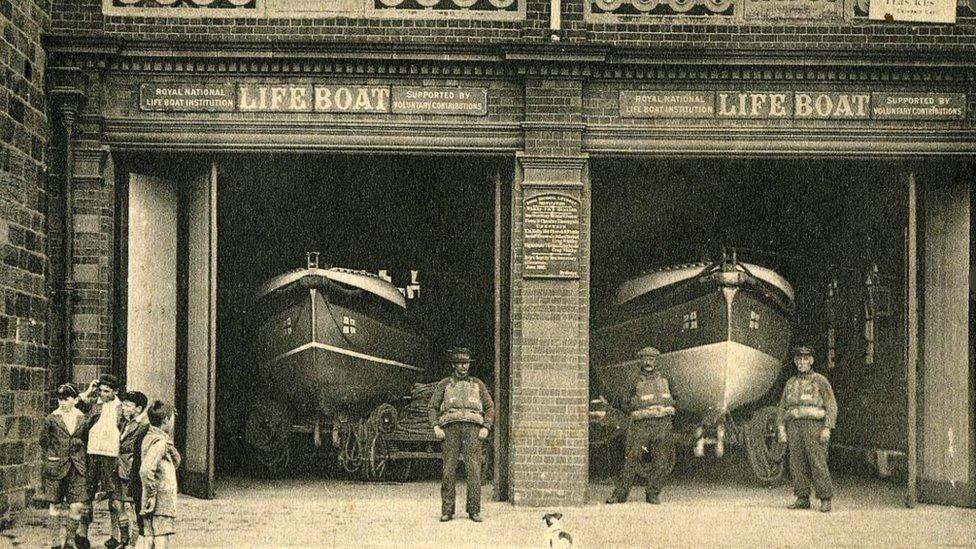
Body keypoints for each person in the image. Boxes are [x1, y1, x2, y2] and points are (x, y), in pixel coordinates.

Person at [427, 347, 495, 523]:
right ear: (453, 365)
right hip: (450, 430)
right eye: (459, 363)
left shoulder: (478, 384)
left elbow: (489, 407)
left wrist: (486, 426)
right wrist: (435, 427)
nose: (463, 367)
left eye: (466, 363)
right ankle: (447, 510)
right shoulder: (445, 384)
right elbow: (433, 407)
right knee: (449, 470)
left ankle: (474, 510)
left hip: (473, 430)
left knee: (474, 469)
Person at [605, 346, 676, 505]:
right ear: (641, 360)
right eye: (645, 359)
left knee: (662, 461)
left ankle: (653, 493)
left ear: (656, 361)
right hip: (641, 425)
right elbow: (623, 401)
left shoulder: (666, 378)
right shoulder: (634, 379)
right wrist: (637, 411)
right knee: (632, 459)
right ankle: (620, 495)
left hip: (662, 424)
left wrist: (664, 410)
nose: (648, 362)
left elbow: (675, 397)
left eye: (651, 359)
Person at [776, 345, 838, 513]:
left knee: (817, 462)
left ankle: (825, 498)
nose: (802, 362)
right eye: (799, 359)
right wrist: (781, 428)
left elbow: (831, 405)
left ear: (811, 361)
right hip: (794, 426)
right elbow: (782, 407)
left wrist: (827, 427)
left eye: (805, 359)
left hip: (814, 426)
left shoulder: (820, 381)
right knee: (797, 463)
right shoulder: (790, 383)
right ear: (795, 362)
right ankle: (802, 497)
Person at [75, 373, 126, 549]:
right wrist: (89, 390)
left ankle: (115, 536)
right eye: (100, 391)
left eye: (107, 391)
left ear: (115, 391)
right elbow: (76, 402)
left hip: (112, 456)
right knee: (87, 494)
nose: (102, 394)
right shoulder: (93, 405)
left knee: (114, 495)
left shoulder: (122, 408)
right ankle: (82, 534)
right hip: (92, 454)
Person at [38, 383, 92, 549]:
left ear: (75, 400)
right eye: (60, 399)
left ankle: (69, 542)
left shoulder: (83, 419)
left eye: (66, 399)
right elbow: (43, 441)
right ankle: (55, 543)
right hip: (56, 467)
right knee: (55, 505)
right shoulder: (52, 419)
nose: (62, 403)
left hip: (77, 468)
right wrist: (54, 457)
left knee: (77, 506)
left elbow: (86, 440)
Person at [140, 401, 181, 549]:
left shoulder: (150, 437)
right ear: (165, 420)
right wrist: (152, 493)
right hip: (160, 498)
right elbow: (145, 470)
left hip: (150, 498)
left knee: (149, 536)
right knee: (162, 535)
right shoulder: (160, 442)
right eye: (172, 419)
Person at [119, 391, 150, 548]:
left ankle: (133, 543)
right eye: (124, 404)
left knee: (133, 508)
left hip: (131, 471)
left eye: (128, 405)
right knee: (125, 506)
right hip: (123, 469)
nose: (123, 407)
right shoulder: (127, 422)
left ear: (138, 409)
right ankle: (127, 541)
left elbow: (134, 448)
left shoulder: (143, 426)